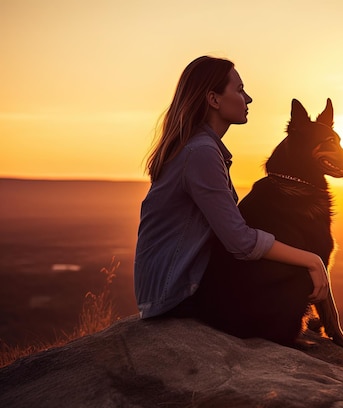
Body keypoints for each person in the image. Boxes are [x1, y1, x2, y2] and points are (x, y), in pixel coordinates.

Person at [134, 56, 329, 344]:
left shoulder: (200, 148)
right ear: (213, 99)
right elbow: (240, 241)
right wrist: (313, 261)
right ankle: (284, 342)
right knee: (295, 266)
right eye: (239, 89)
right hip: (177, 293)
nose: (248, 98)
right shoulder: (201, 153)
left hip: (171, 287)